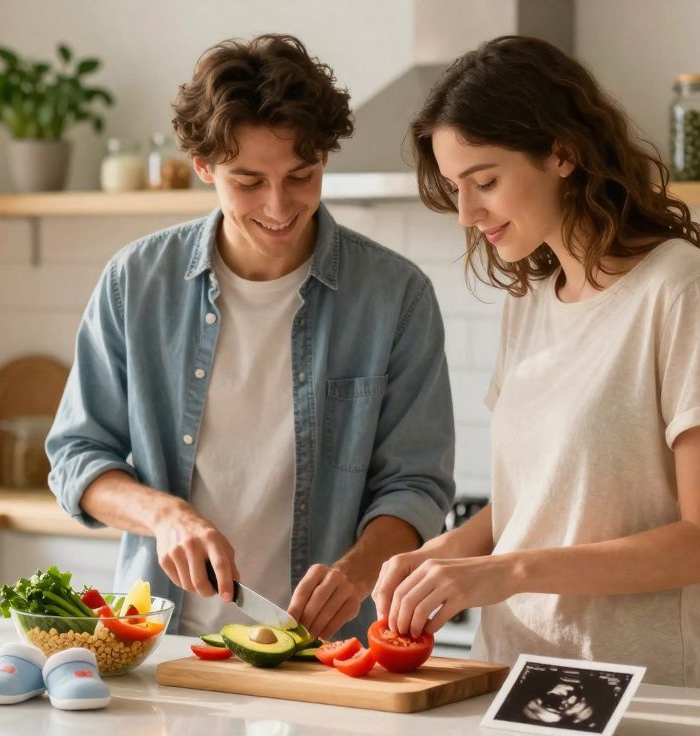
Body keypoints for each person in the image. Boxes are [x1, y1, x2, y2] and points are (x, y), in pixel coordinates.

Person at [371, 36, 700, 689]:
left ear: (562, 152)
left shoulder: (679, 290)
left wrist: (508, 570)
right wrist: (445, 554)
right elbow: (538, 498)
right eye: (456, 188)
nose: (467, 214)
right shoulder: (531, 301)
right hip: (512, 680)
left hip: (642, 694)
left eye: (485, 181)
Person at [46, 34, 455, 641]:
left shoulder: (396, 297)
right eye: (247, 181)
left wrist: (357, 570)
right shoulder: (136, 283)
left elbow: (417, 484)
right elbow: (76, 458)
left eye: (301, 175)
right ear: (204, 167)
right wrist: (166, 516)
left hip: (329, 652)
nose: (279, 205)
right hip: (164, 642)